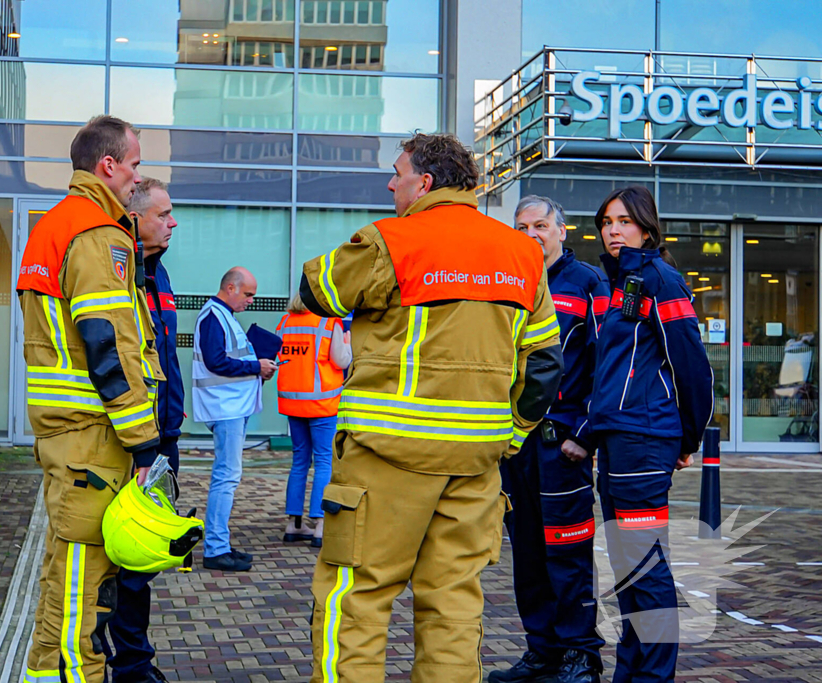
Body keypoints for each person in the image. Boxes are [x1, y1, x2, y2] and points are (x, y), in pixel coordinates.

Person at [300, 132, 564, 683]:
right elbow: (543, 367)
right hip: (475, 465)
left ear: (423, 183)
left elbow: (314, 288)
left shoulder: (389, 241)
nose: (390, 183)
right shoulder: (523, 255)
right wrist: (510, 436)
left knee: (357, 599)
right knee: (453, 606)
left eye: (396, 173)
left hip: (385, 459)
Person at [16, 115, 163, 683]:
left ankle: (44, 672)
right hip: (95, 438)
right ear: (108, 165)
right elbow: (110, 343)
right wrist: (144, 442)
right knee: (85, 584)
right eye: (134, 166)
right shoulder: (97, 232)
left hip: (66, 435)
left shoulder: (53, 225)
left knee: (63, 570)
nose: (135, 178)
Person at [589, 185, 713, 683]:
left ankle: (653, 677)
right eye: (606, 222)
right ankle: (633, 672)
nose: (613, 230)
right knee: (627, 569)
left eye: (623, 220)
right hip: (618, 437)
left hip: (644, 437)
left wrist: (687, 438)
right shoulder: (622, 282)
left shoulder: (660, 279)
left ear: (646, 226)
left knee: (645, 567)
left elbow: (693, 366)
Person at [492, 196, 610, 683]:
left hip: (563, 445)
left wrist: (586, 433)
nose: (532, 234)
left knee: (567, 552)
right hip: (514, 445)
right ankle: (541, 652)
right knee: (528, 554)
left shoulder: (588, 284)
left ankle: (581, 655)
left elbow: (609, 362)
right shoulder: (507, 284)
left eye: (541, 225)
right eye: (522, 227)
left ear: (563, 230)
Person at [98, 178, 181, 683]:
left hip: (162, 438)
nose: (172, 223)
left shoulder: (160, 275)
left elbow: (163, 354)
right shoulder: (117, 272)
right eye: (164, 214)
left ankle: (132, 660)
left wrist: (175, 411)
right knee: (122, 564)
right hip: (132, 442)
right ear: (135, 217)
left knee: (142, 561)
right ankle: (125, 662)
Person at [193, 267, 277, 572]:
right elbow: (216, 361)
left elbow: (223, 359)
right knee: (226, 477)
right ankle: (216, 548)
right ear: (230, 287)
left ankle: (220, 544)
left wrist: (257, 366)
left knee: (226, 476)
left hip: (229, 407)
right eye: (248, 294)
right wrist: (256, 366)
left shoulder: (220, 315)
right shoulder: (215, 316)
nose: (251, 300)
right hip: (225, 408)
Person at [275, 294, 352, 548]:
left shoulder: (285, 322)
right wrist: (347, 342)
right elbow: (341, 361)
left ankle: (294, 524)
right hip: (322, 403)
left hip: (292, 403)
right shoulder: (330, 323)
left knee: (299, 462)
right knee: (323, 462)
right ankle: (320, 524)